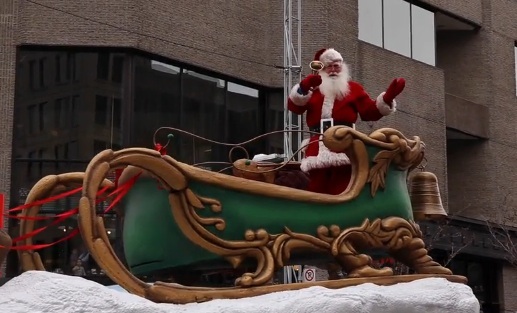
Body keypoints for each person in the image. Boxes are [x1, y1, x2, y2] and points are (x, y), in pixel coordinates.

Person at [288, 47, 405, 195]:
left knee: (343, 188)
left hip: (345, 146)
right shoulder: (313, 91)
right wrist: (303, 87)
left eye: (336, 66)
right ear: (322, 69)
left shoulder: (354, 89)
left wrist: (387, 98)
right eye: (328, 66)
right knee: (315, 189)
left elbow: (370, 112)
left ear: (342, 68)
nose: (333, 70)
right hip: (316, 147)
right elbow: (294, 107)